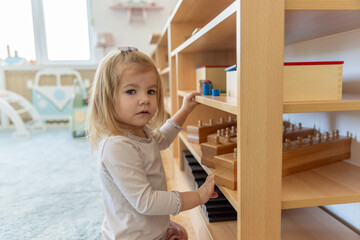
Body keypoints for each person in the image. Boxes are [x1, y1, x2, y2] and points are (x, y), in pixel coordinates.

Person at [87, 47, 218, 240]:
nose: (144, 99)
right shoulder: (118, 146)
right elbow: (146, 202)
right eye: (131, 91)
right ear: (107, 98)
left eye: (150, 91)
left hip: (146, 225)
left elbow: (162, 139)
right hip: (132, 236)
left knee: (181, 233)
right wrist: (197, 197)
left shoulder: (139, 130)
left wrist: (185, 110)